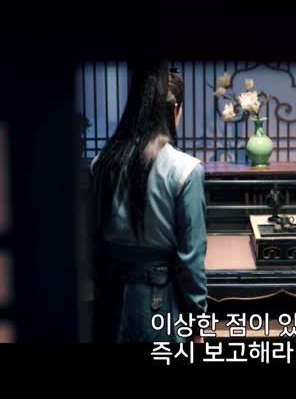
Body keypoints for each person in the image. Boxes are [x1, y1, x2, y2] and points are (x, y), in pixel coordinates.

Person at [88, 61, 208, 343]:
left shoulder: (102, 164)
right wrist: (197, 323)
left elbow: (93, 242)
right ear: (175, 110)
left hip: (109, 301)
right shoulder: (185, 170)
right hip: (158, 302)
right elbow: (190, 260)